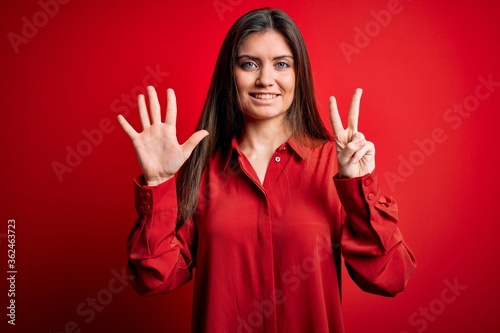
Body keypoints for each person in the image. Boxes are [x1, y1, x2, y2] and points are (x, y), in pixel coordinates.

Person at [117, 7, 416, 333]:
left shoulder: (335, 165)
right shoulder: (201, 169)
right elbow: (153, 278)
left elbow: (391, 278)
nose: (265, 79)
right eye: (249, 64)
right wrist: (159, 184)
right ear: (229, 74)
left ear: (298, 74)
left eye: (281, 64)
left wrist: (358, 187)